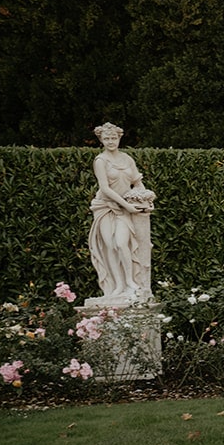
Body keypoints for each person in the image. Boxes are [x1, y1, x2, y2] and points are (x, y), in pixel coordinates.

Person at [86, 122, 156, 307]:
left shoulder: (127, 159)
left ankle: (131, 282)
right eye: (106, 138)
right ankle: (117, 286)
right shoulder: (100, 161)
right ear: (101, 140)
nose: (110, 141)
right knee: (109, 246)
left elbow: (137, 183)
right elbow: (105, 188)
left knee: (121, 243)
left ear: (119, 138)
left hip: (124, 209)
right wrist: (127, 205)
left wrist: (142, 197)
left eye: (113, 138)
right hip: (105, 207)